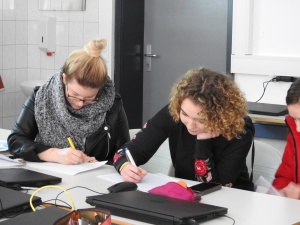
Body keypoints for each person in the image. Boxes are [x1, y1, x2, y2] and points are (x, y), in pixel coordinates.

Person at [113, 68, 255, 191]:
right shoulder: (174, 112)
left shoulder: (240, 128)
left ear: (220, 115)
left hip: (234, 199)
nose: (191, 125)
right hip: (185, 196)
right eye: (185, 114)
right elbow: (125, 152)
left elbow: (213, 187)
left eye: (201, 120)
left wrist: (203, 141)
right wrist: (124, 166)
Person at [8, 38, 130, 165]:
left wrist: (122, 166)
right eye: (74, 95)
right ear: (64, 79)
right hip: (49, 178)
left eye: (89, 98)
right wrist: (55, 154)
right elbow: (16, 141)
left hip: (95, 179)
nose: (80, 103)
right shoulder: (42, 98)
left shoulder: (112, 104)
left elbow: (125, 151)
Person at [273, 78, 300, 199]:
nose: (298, 128)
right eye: (294, 119)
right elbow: (283, 177)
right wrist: (284, 189)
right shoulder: (294, 135)